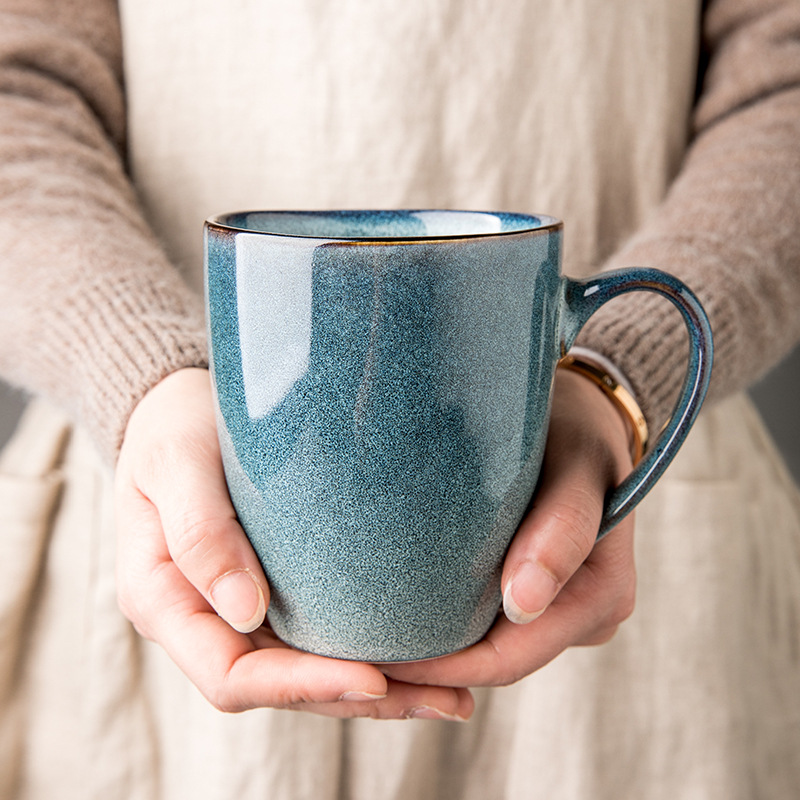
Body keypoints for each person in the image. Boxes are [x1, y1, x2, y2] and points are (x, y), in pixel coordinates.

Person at [1, 0, 799, 797]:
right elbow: (17, 94)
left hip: (619, 538)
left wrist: (613, 374)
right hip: (161, 509)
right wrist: (138, 370)